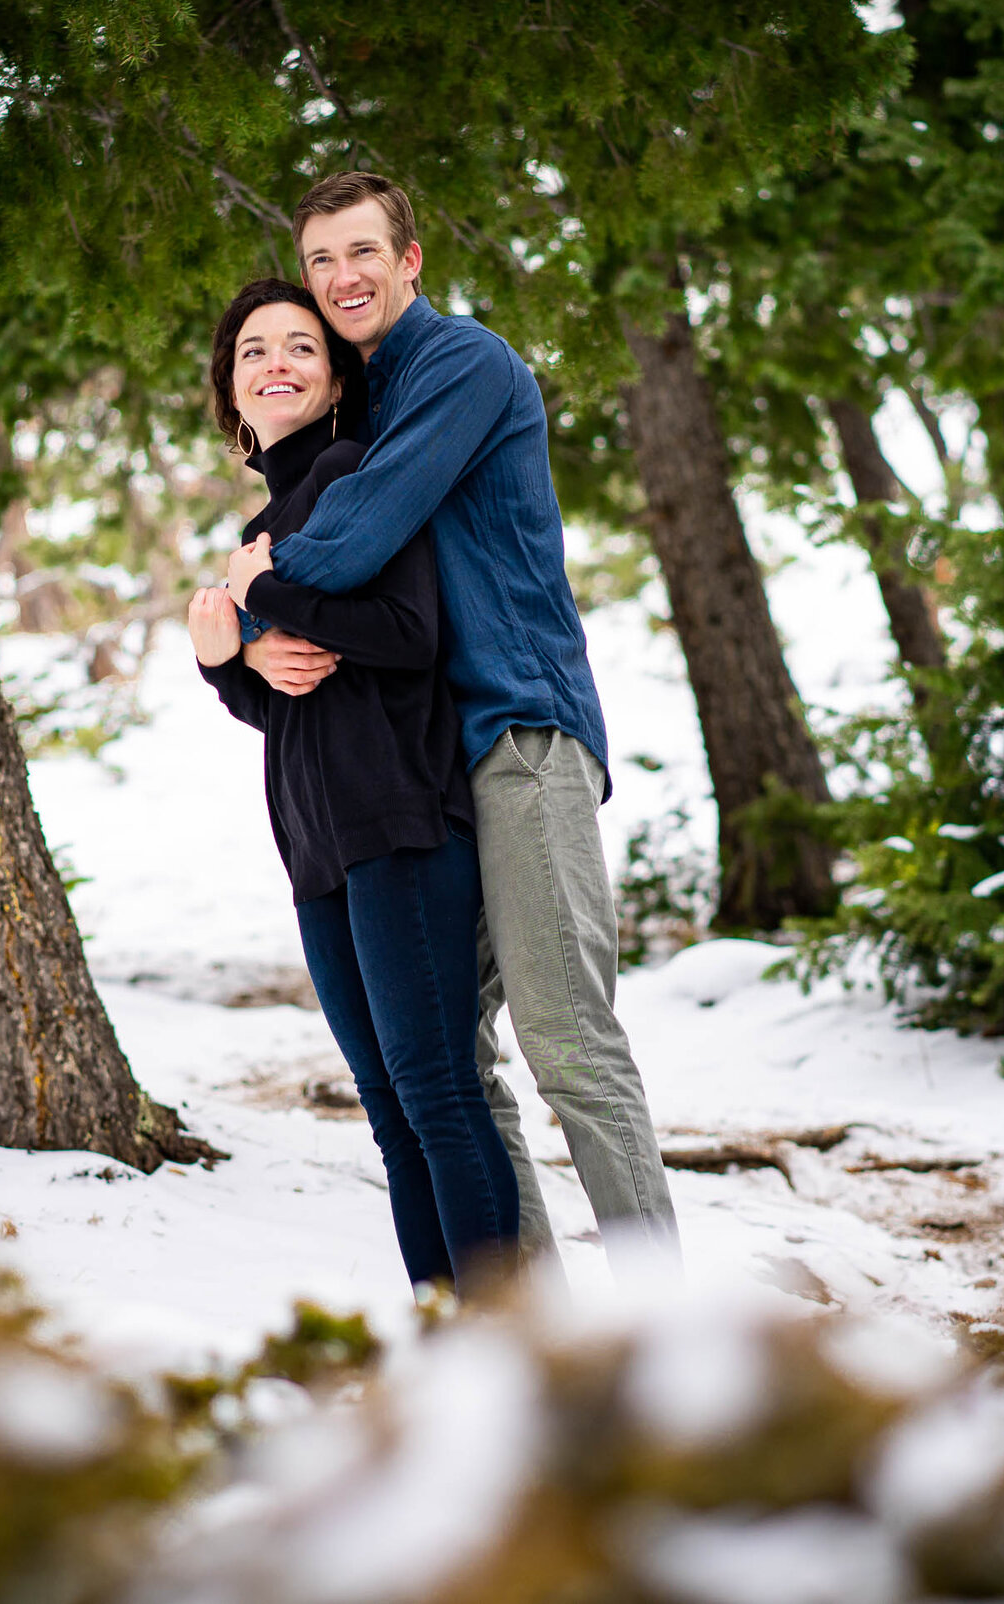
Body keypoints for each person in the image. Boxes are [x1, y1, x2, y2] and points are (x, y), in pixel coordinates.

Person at [226, 171, 682, 1279]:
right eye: (322, 258)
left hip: (521, 735)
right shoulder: (369, 401)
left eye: (363, 252)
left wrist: (254, 581)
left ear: (411, 259)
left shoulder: (461, 365)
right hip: (443, 764)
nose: (342, 278)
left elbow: (353, 540)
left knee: (567, 1044)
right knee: (455, 1066)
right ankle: (532, 1340)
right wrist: (246, 641)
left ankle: (677, 1340)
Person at [188, 277, 521, 1297]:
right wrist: (228, 666)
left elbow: (410, 636)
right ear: (230, 393)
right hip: (317, 846)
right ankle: (444, 1346)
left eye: (299, 346)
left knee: (434, 1095)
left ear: (336, 380)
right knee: (388, 1107)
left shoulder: (353, 474)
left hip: (398, 823)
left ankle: (507, 1353)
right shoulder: (262, 523)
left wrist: (261, 600)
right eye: (253, 351)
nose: (275, 363)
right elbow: (293, 701)